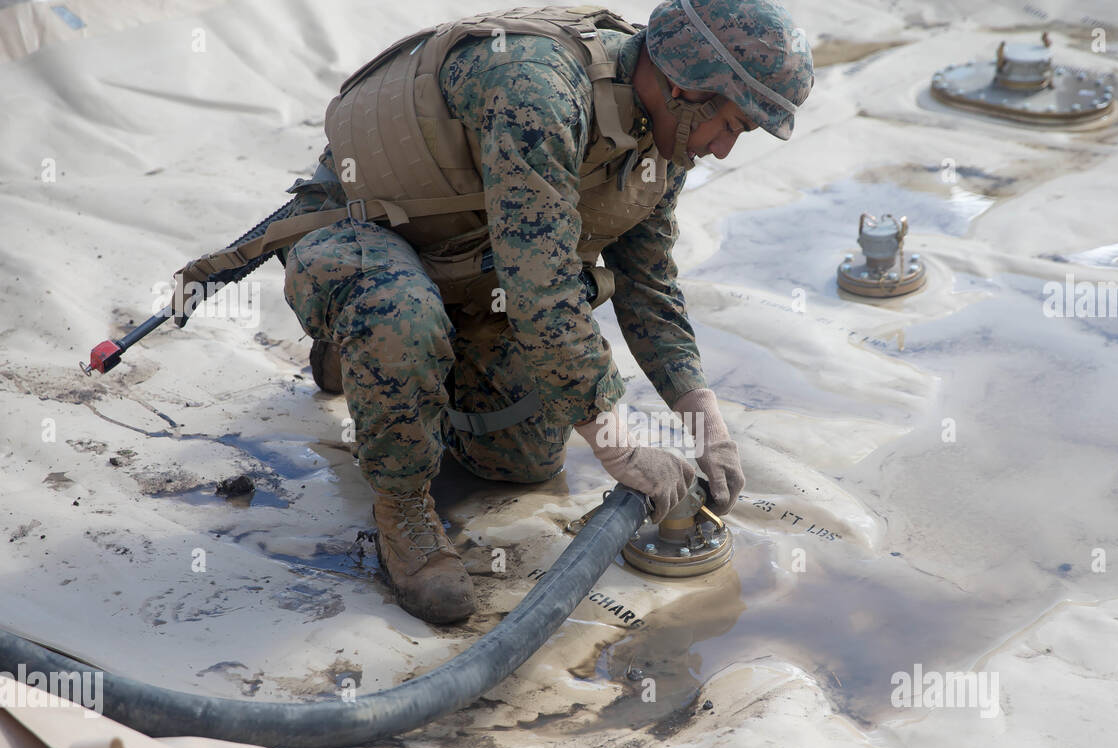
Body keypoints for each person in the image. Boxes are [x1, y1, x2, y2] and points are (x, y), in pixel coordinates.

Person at [279, 0, 813, 624]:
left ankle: (416, 372)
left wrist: (704, 422)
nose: (721, 150)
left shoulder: (661, 136)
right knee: (400, 315)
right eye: (730, 125)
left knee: (521, 460)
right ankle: (401, 506)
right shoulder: (538, 90)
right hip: (359, 237)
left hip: (472, 260)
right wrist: (621, 449)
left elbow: (649, 284)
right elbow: (544, 293)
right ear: (684, 86)